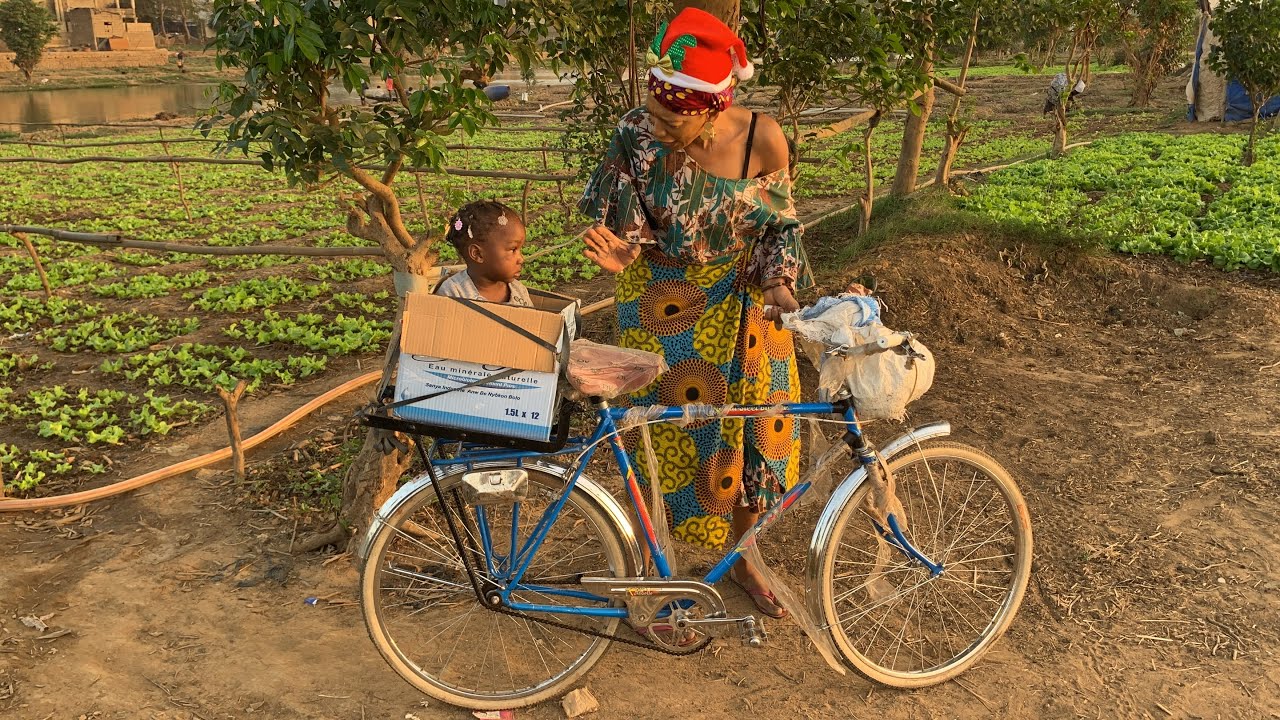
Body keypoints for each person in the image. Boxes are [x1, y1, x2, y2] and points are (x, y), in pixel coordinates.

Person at [580, 7, 808, 620]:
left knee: (754, 431)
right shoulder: (635, 133)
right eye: (652, 112)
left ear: (710, 108)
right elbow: (616, 221)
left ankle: (744, 554)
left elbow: (779, 227)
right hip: (661, 303)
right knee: (664, 434)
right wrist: (624, 250)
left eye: (670, 118)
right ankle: (655, 561)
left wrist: (781, 288)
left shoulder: (764, 137)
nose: (655, 125)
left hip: (746, 304)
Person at [436, 200, 531, 306]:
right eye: (513, 249)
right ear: (477, 254)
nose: (521, 259)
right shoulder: (454, 293)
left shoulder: (519, 292)